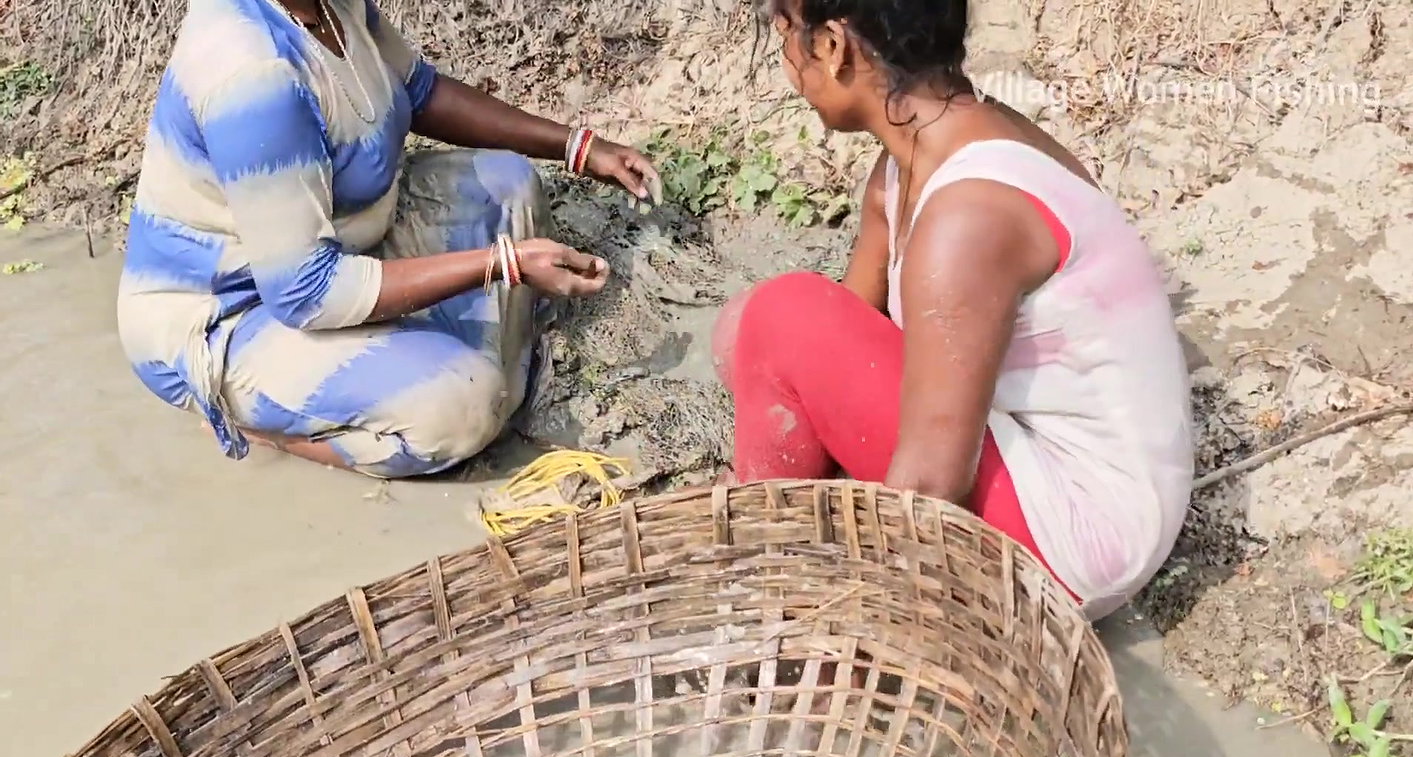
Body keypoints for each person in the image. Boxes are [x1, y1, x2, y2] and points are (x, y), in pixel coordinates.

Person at [712, 0, 1193, 620]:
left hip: (1079, 541)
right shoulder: (912, 163)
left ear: (834, 47)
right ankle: (779, 521)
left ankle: (759, 566)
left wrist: (837, 608)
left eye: (784, 33)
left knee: (783, 317)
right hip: (1020, 457)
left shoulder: (969, 214)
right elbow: (847, 338)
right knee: (748, 330)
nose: (784, 57)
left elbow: (931, 482)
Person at [118, 0, 660, 478]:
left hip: (340, 241)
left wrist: (578, 147)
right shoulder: (252, 73)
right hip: (235, 314)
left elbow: (417, 89)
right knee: (462, 404)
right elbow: (306, 291)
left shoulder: (331, 7)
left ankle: (419, 360)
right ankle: (276, 429)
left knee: (507, 186)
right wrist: (503, 264)